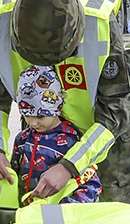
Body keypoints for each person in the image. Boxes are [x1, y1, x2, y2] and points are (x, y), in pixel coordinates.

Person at [0, 0, 130, 204]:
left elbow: (116, 107)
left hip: (101, 146)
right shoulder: (2, 21)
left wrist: (69, 166)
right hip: (40, 142)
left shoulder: (99, 22)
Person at [7, 65, 101, 204]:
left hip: (58, 216)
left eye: (40, 116)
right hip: (26, 215)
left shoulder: (72, 140)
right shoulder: (22, 139)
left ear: (56, 108)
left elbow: (92, 183)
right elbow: (12, 172)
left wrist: (70, 206)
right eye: (26, 115)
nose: (33, 123)